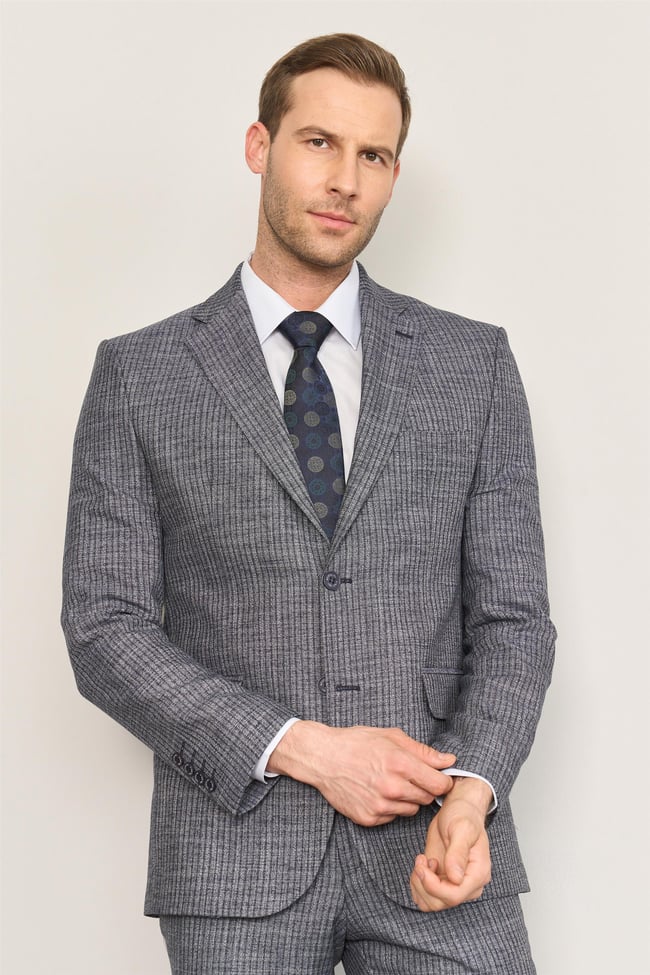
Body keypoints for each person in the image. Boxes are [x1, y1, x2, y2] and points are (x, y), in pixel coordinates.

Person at [62, 32, 555, 975]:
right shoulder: (140, 374)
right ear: (261, 146)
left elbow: (515, 620)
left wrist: (473, 791)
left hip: (435, 847)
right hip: (233, 864)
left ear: (394, 175)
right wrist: (305, 749)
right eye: (319, 142)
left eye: (374, 156)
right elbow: (104, 628)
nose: (345, 181)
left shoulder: (472, 364)